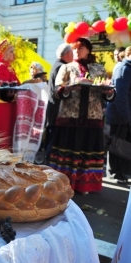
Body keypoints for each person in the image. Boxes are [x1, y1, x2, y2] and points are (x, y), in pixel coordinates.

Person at [48, 37, 115, 194]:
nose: (77, 51)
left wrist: (109, 92)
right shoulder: (67, 67)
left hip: (93, 117)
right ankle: (62, 184)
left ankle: (85, 185)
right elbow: (56, 90)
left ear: (88, 50)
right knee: (68, 150)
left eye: (81, 48)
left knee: (87, 150)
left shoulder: (99, 68)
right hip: (70, 117)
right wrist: (68, 89)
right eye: (75, 48)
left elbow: (107, 90)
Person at [106, 46, 131, 184]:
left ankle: (121, 173)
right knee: (117, 144)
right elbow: (121, 95)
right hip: (121, 116)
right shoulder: (124, 68)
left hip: (124, 115)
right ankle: (115, 173)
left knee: (124, 145)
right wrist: (126, 117)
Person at [45, 43, 73, 160]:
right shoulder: (61, 67)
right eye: (72, 53)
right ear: (67, 54)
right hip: (57, 109)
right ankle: (49, 165)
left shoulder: (57, 65)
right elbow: (59, 89)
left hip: (54, 108)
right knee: (54, 139)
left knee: (53, 137)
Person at [0, 39, 20, 150]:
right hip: (3, 105)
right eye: (12, 52)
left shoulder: (10, 67)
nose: (14, 55)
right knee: (2, 129)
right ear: (5, 53)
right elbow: (1, 86)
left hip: (11, 104)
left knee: (9, 130)